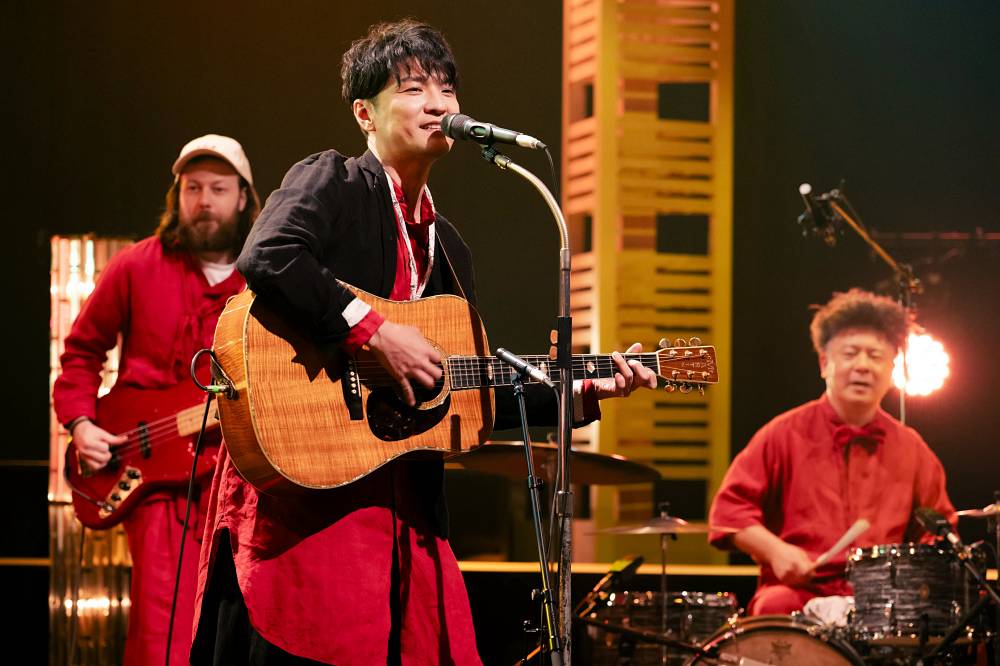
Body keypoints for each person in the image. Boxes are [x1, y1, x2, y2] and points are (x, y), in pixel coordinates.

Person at [190, 20, 657, 666]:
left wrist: (578, 392)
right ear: (365, 114)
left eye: (447, 89)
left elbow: (466, 390)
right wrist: (373, 333)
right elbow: (269, 256)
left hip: (406, 517)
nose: (438, 104)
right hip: (308, 504)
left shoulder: (451, 250)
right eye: (413, 89)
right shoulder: (332, 182)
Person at [52, 134, 261, 665]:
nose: (204, 201)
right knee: (160, 630)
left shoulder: (266, 278)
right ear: (177, 196)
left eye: (218, 188)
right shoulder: (135, 266)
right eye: (192, 188)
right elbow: (80, 353)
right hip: (156, 484)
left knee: (242, 624)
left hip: (241, 479)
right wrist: (81, 423)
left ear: (243, 197)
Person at [708, 288, 955, 615]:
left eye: (875, 356)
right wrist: (776, 551)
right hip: (799, 593)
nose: (863, 366)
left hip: (883, 602)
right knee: (773, 606)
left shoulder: (913, 449)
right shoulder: (782, 434)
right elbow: (730, 513)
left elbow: (937, 532)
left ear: (892, 367)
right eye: (850, 353)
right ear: (825, 363)